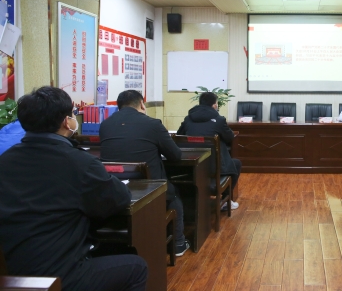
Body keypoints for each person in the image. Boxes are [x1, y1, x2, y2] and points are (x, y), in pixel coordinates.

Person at [0, 86, 147, 291]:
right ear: (66, 122)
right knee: (137, 267)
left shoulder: (5, 161)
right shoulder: (79, 162)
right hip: (60, 275)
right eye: (72, 114)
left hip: (12, 272)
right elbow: (120, 198)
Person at [100, 90, 189, 256]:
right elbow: (175, 155)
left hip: (114, 187)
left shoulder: (105, 125)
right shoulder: (153, 124)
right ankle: (178, 244)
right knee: (174, 196)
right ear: (142, 104)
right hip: (148, 190)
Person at [177, 91, 242, 211]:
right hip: (214, 168)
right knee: (236, 164)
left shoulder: (188, 119)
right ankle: (225, 200)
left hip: (191, 167)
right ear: (214, 105)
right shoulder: (219, 120)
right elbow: (229, 137)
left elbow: (179, 136)